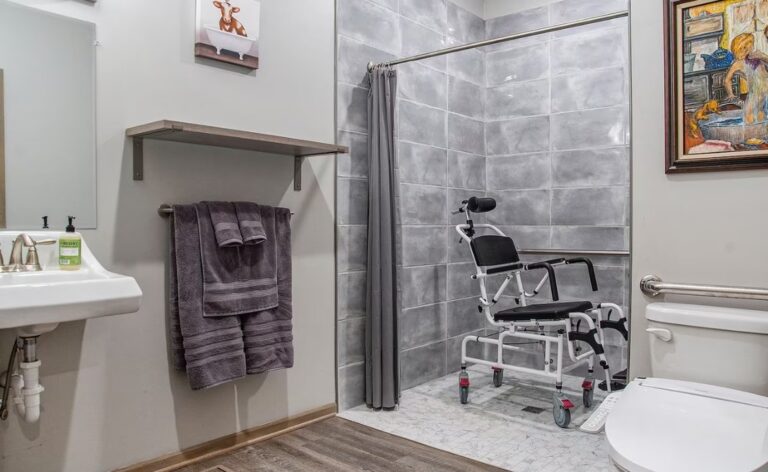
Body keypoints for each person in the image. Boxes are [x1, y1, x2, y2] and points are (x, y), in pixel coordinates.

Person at [725, 32, 768, 124]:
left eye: (750, 45)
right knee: (758, 113)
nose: (749, 49)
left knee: (749, 113)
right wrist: (730, 94)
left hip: (759, 91)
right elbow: (727, 80)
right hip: (759, 91)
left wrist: (764, 57)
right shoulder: (738, 63)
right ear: (739, 49)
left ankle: (754, 129)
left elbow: (727, 80)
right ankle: (759, 129)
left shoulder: (757, 56)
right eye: (745, 48)